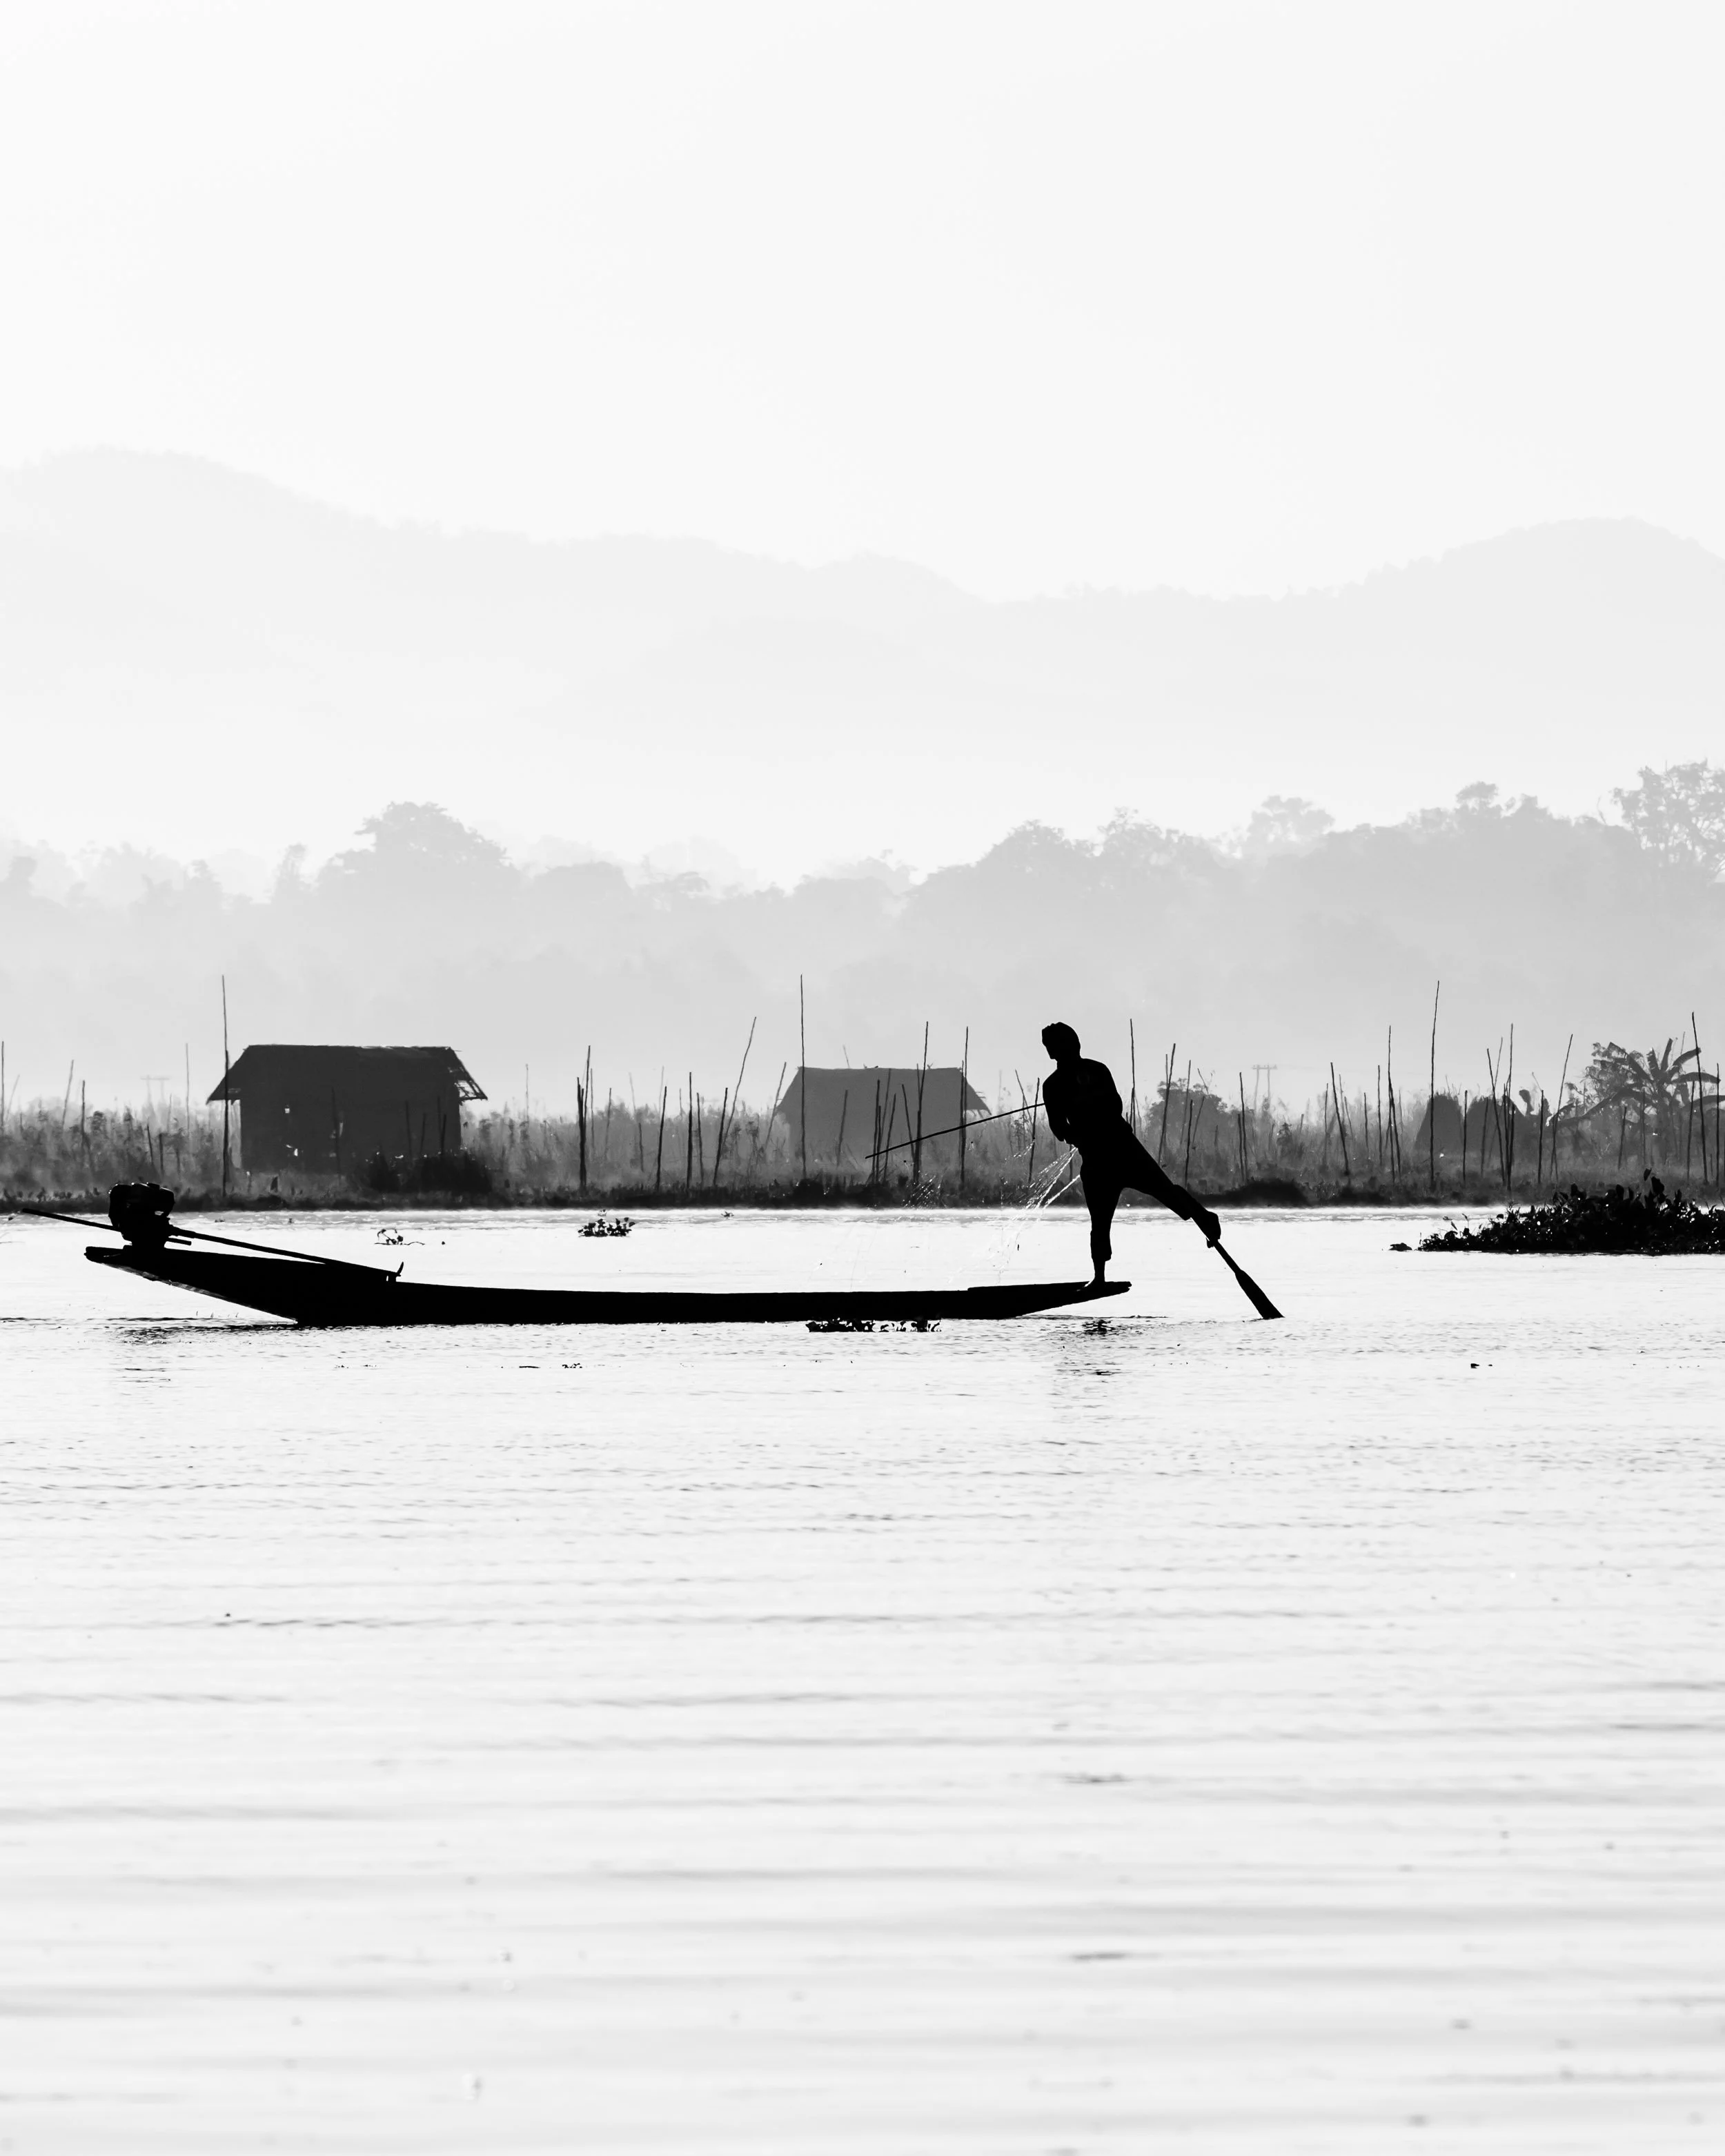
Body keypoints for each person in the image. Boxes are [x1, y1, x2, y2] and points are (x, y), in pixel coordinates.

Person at [1041, 1022, 1221, 1285]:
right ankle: (1099, 1277)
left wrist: (1087, 1106)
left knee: (1166, 1192)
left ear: (1073, 1045)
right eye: (1053, 1047)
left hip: (1124, 1148)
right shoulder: (1053, 1086)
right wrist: (1076, 1135)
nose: (1057, 1051)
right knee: (1099, 1220)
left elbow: (1114, 1106)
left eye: (1059, 1045)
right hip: (1096, 1158)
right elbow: (1059, 1127)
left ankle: (1205, 1218)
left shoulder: (1097, 1070)